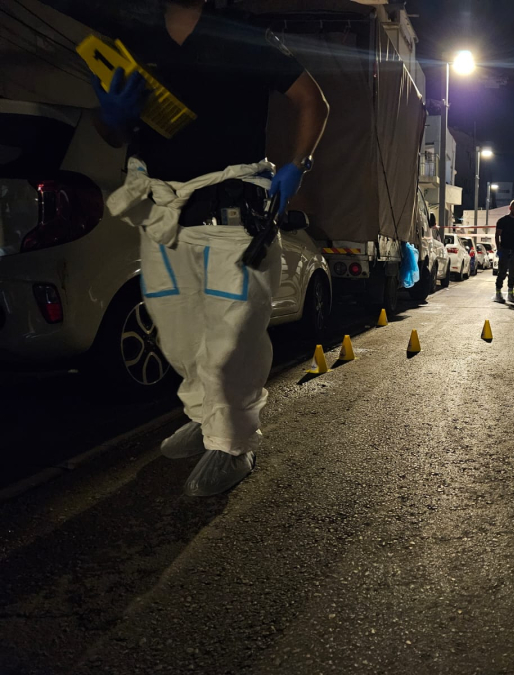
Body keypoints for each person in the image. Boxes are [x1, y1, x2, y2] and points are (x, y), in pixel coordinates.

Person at [93, 0, 329, 496]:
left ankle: (233, 443)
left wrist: (298, 165)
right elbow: (113, 132)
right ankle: (206, 420)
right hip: (165, 218)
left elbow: (313, 100)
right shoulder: (134, 38)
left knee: (233, 339)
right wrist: (111, 118)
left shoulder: (243, 35)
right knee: (178, 337)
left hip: (233, 217)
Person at [493, 200, 514, 303]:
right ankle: (498, 294)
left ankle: (510, 294)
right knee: (502, 272)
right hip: (505, 249)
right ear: (510, 208)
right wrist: (499, 249)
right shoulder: (502, 221)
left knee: (513, 272)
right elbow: (497, 235)